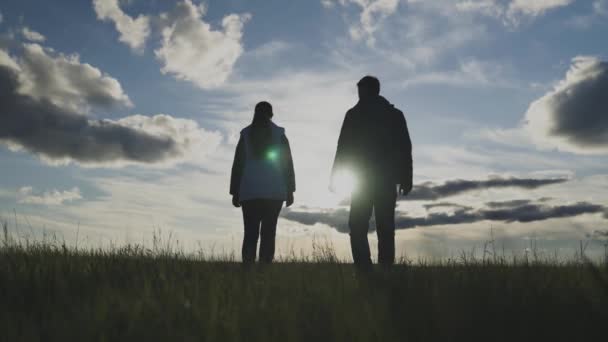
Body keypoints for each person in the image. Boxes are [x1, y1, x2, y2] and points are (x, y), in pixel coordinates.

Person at [331, 76, 412, 269]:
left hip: (364, 180)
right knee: (383, 226)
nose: (359, 94)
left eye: (361, 90)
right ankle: (382, 268)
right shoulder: (393, 114)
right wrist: (406, 178)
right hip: (379, 179)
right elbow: (405, 148)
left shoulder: (354, 114)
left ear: (369, 90)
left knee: (359, 225)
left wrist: (335, 176)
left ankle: (365, 268)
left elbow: (342, 147)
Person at [230, 101, 296, 264]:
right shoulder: (279, 134)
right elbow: (287, 163)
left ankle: (247, 271)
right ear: (271, 114)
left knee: (250, 234)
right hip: (274, 193)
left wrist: (235, 191)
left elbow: (238, 163)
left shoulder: (245, 134)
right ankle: (264, 271)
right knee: (268, 233)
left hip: (249, 192)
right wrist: (290, 190)